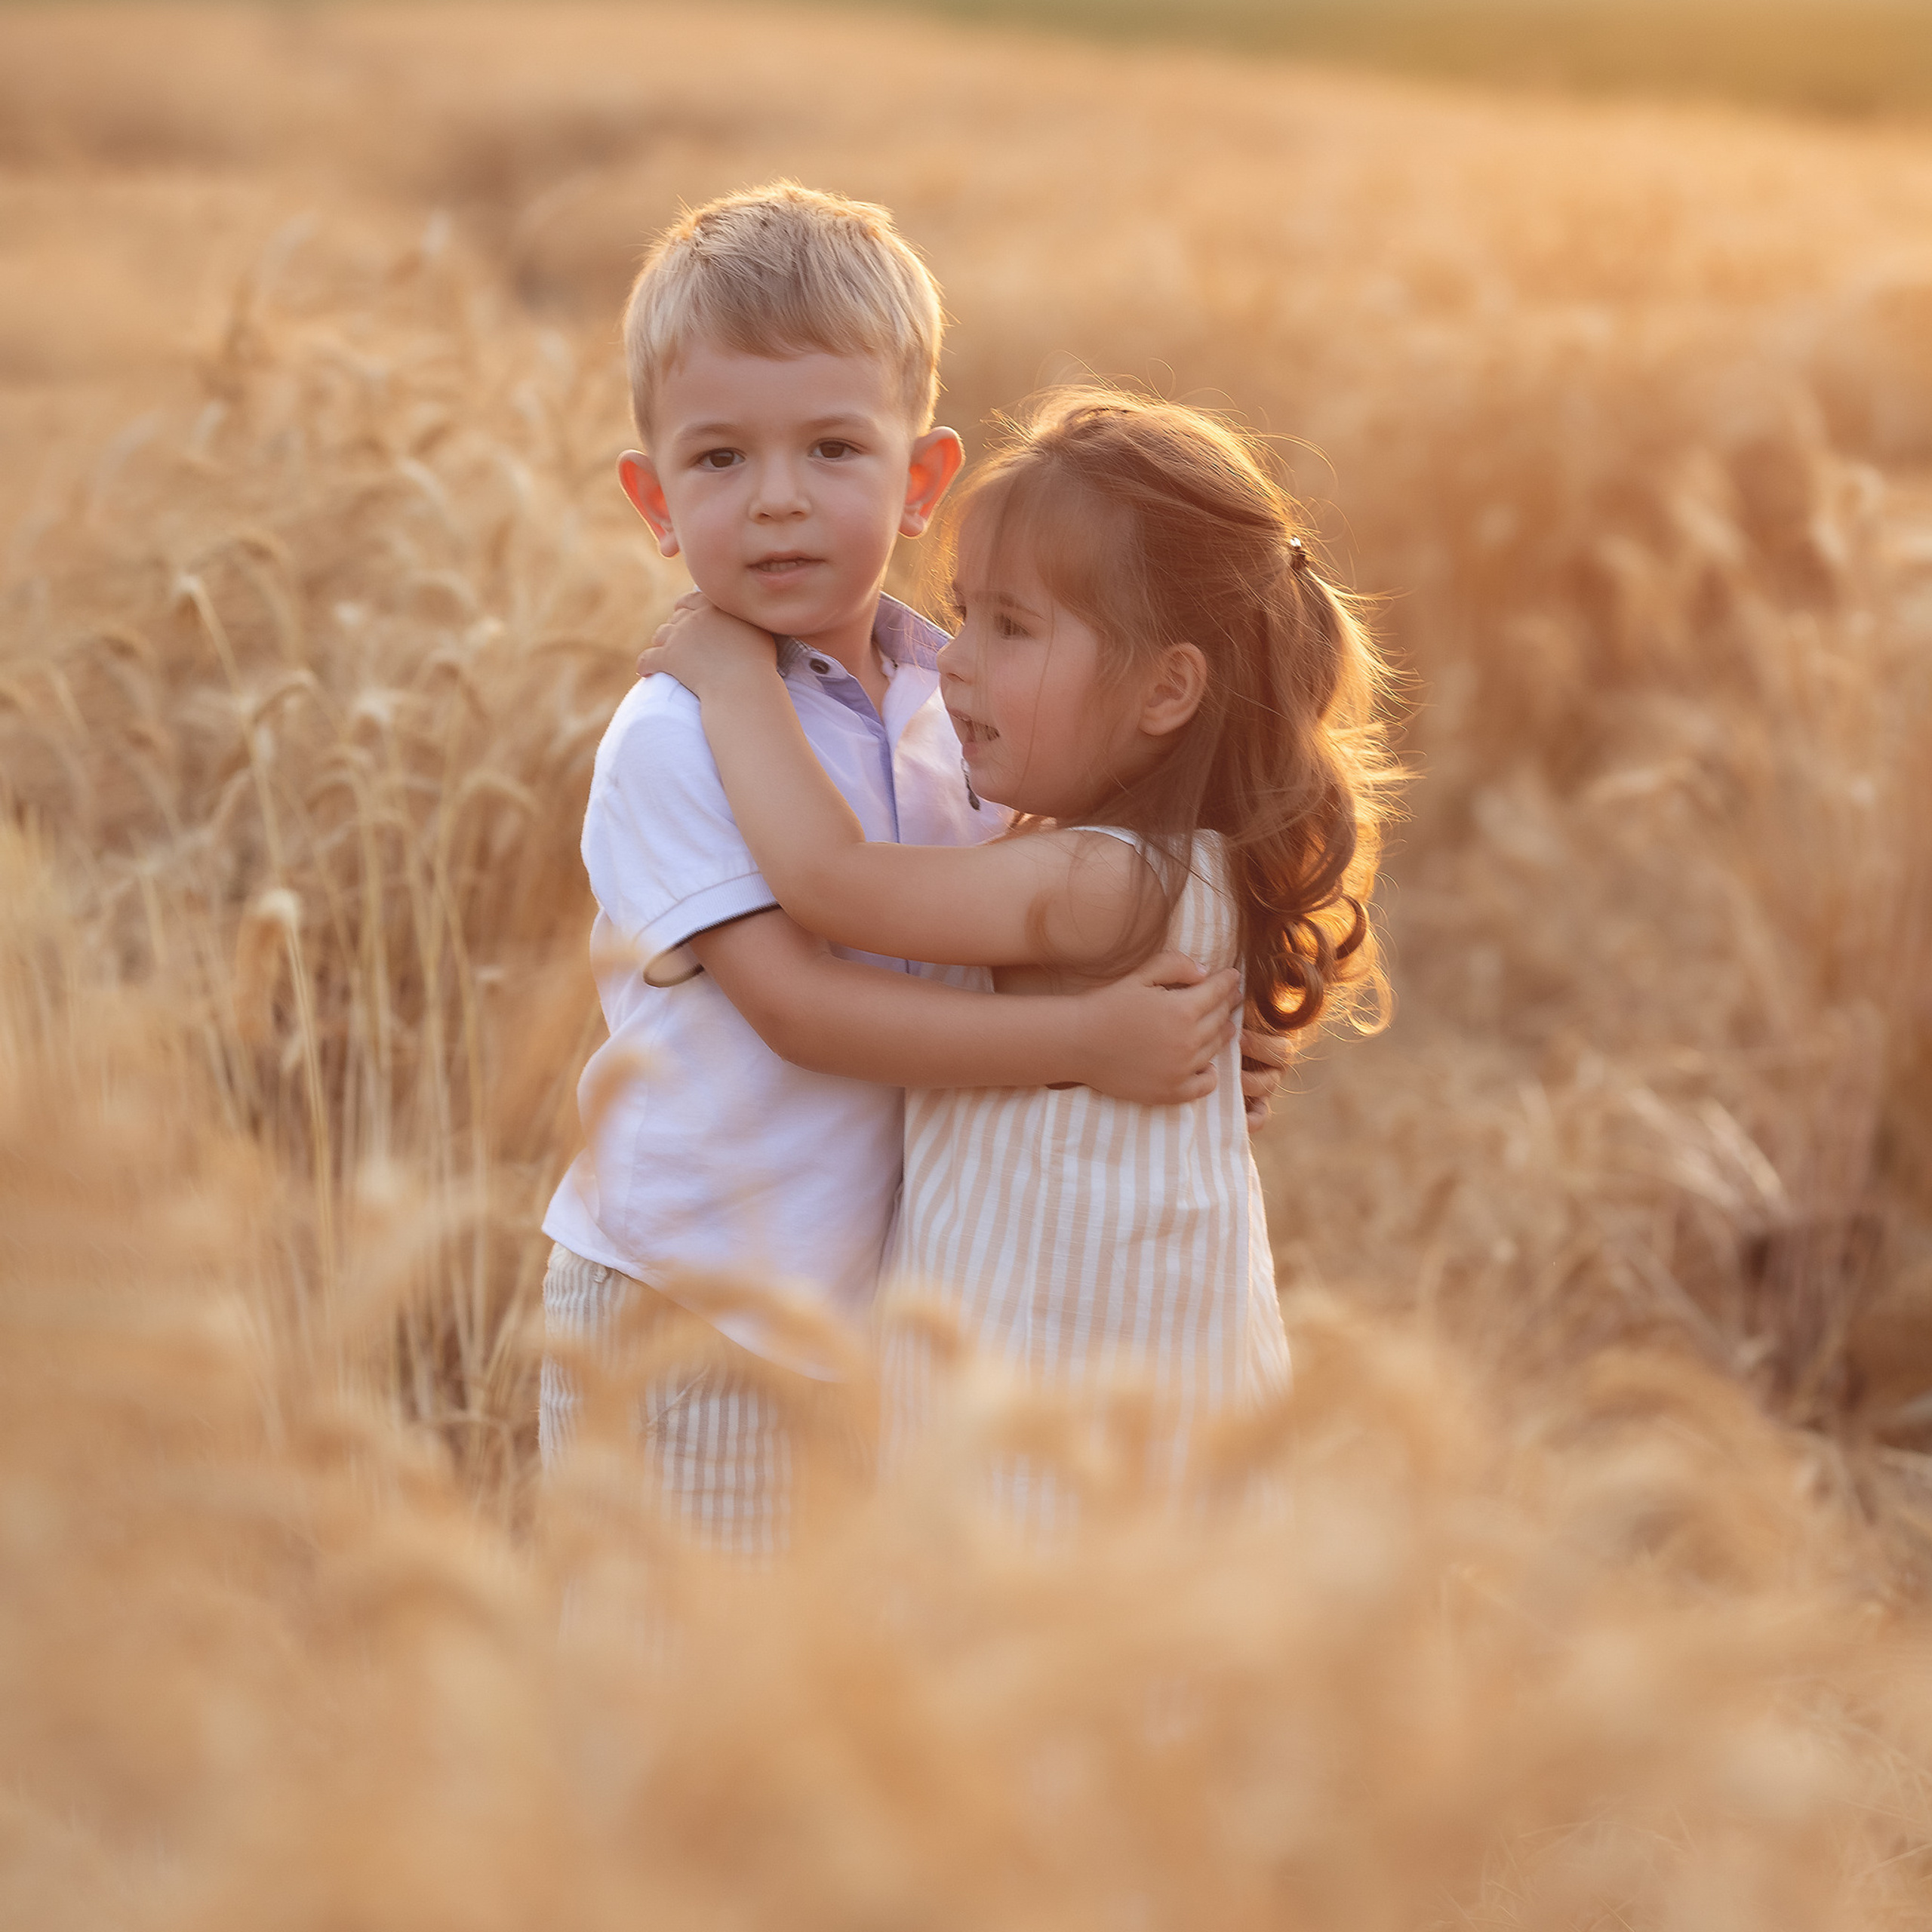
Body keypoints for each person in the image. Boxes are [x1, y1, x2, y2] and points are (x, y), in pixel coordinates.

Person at [541, 186, 1283, 1555]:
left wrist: (1176, 1028)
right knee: (673, 1710)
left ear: (921, 480)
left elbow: (1012, 920)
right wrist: (1089, 1041)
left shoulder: (960, 704)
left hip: (878, 1312)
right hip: (698, 1311)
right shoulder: (678, 734)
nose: (777, 501)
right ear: (653, 497)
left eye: (832, 448)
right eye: (718, 461)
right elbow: (803, 1010)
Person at [641, 387, 1394, 1521]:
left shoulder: (1105, 880)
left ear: (1167, 689)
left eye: (1012, 627)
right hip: (1069, 1402)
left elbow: (835, 887)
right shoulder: (1134, 869)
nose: (956, 662)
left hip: (1060, 1429)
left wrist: (735, 679)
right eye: (961, 611)